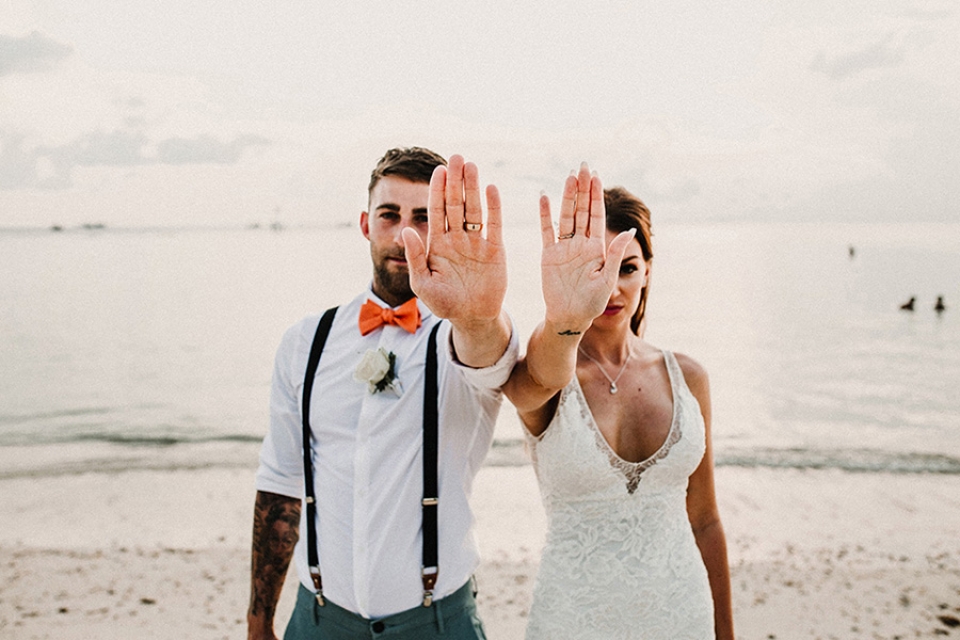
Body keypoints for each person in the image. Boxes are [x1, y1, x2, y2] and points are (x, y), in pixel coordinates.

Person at [247, 147, 518, 640]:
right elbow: (281, 481)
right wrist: (259, 620)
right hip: (317, 620)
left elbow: (489, 354)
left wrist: (478, 310)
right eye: (389, 215)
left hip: (437, 623)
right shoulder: (306, 341)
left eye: (423, 218)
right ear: (365, 224)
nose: (404, 235)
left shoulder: (465, 334)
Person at [503, 163, 734, 639]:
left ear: (647, 271)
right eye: (595, 270)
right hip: (572, 621)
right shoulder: (547, 373)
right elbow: (519, 386)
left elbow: (705, 518)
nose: (611, 287)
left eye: (626, 268)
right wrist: (562, 311)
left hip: (680, 614)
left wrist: (725, 632)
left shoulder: (688, 377)